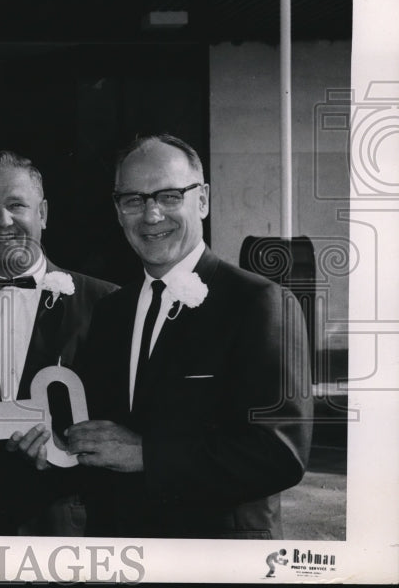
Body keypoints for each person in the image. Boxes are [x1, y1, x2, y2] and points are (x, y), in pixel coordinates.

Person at [66, 134, 312, 538]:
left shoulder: (259, 303)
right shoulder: (110, 310)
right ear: (118, 211)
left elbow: (280, 453)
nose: (151, 215)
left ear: (203, 200)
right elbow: (105, 433)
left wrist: (148, 454)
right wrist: (59, 446)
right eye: (133, 199)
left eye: (168, 196)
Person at [0, 150, 117, 535]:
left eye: (16, 205)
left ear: (42, 214)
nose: (3, 221)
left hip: (69, 528)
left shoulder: (106, 303)